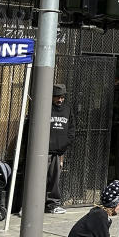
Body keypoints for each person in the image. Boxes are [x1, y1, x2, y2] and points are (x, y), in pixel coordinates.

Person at [47, 83, 75, 214]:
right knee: (36, 179)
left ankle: (53, 205)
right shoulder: (46, 108)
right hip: (43, 151)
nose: (60, 100)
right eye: (57, 97)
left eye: (62, 97)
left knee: (54, 180)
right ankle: (29, 205)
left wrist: (64, 145)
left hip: (58, 152)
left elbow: (71, 129)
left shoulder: (67, 110)